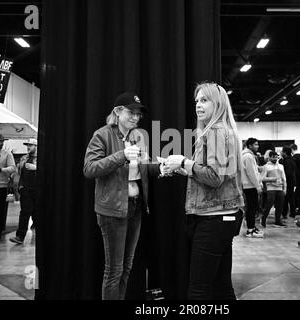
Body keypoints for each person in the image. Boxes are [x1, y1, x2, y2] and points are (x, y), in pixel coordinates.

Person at [163, 82, 244, 300]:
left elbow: (215, 177)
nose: (198, 105)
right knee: (221, 286)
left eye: (204, 100)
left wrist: (184, 162)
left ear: (217, 103)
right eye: (197, 101)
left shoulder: (216, 132)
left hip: (214, 218)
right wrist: (180, 166)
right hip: (222, 215)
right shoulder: (222, 131)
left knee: (199, 289)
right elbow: (212, 174)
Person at [83, 92, 163, 300]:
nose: (135, 117)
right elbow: (90, 169)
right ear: (117, 112)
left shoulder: (137, 137)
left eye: (138, 114)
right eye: (131, 112)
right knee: (114, 271)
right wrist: (121, 156)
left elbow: (144, 168)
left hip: (135, 208)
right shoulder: (102, 135)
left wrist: (163, 166)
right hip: (112, 211)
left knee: (127, 267)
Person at [10, 138, 38, 244]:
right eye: (27, 145)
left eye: (30, 145)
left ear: (36, 146)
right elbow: (18, 172)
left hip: (38, 189)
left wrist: (36, 167)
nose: (28, 147)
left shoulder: (42, 157)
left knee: (37, 212)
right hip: (26, 189)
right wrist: (18, 187)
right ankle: (20, 236)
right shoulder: (24, 158)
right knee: (24, 212)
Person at [241, 138, 264, 238]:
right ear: (249, 146)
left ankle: (252, 227)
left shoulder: (247, 156)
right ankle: (250, 230)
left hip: (249, 185)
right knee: (251, 208)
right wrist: (257, 186)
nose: (257, 146)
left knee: (252, 208)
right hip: (250, 186)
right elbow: (251, 173)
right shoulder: (248, 156)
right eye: (255, 144)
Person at [260, 151, 287, 228]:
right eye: (273, 157)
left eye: (276, 157)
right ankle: (263, 218)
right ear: (270, 157)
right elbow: (262, 178)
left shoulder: (281, 166)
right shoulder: (266, 166)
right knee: (269, 205)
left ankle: (278, 221)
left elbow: (284, 178)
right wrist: (273, 179)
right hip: (270, 188)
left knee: (280, 206)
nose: (275, 158)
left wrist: (285, 188)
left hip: (280, 188)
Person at [280, 146, 296, 219]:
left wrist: (283, 179)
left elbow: (288, 173)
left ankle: (286, 213)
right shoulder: (292, 160)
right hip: (292, 181)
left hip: (288, 181)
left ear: (285, 152)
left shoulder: (287, 161)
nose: (281, 153)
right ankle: (290, 213)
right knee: (290, 198)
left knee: (287, 198)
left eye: (282, 151)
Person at [290, 144, 300, 216]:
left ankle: (297, 209)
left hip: (295, 179)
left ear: (292, 149)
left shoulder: (293, 158)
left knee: (296, 195)